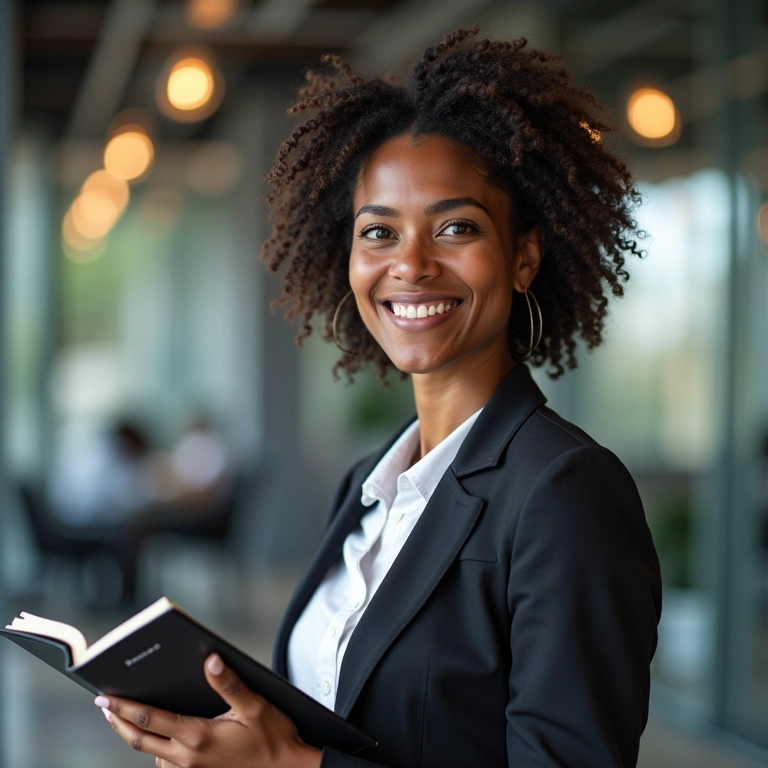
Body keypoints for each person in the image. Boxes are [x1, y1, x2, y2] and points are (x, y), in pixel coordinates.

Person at [96, 26, 662, 768]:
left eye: (456, 227)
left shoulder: (564, 492)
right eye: (379, 233)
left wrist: (286, 765)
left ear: (523, 256)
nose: (412, 265)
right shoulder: (364, 487)